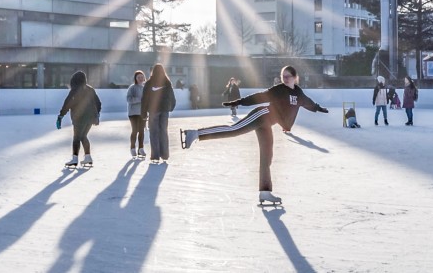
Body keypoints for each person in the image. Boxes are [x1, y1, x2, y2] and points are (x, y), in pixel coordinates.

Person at [180, 65, 328, 205]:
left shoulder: (298, 93)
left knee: (267, 156)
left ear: (295, 77)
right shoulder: (279, 89)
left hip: (268, 124)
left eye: (288, 77)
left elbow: (307, 103)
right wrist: (239, 102)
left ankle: (265, 192)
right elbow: (260, 96)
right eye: (283, 76)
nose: (285, 79)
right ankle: (196, 133)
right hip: (262, 115)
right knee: (234, 130)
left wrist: (318, 108)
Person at [57, 71, 102, 168]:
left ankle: (75, 159)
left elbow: (67, 103)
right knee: (83, 136)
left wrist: (61, 115)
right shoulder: (90, 89)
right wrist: (96, 114)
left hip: (79, 118)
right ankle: (88, 157)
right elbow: (98, 103)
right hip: (90, 118)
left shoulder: (74, 90)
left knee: (77, 137)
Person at [141, 63, 176, 163]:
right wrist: (171, 107)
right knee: (163, 132)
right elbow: (172, 97)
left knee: (154, 133)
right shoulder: (167, 82)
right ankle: (165, 155)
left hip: (153, 110)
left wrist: (143, 113)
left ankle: (155, 156)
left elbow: (144, 99)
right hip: (164, 110)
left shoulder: (149, 83)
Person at [126, 70, 147, 158]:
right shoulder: (132, 88)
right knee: (135, 130)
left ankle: (141, 148)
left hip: (142, 112)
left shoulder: (146, 88)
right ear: (135, 78)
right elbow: (129, 99)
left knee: (141, 131)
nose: (141, 79)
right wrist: (139, 99)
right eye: (139, 77)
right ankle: (132, 148)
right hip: (133, 113)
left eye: (142, 77)